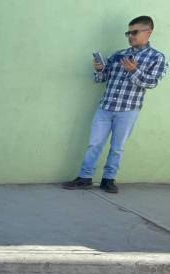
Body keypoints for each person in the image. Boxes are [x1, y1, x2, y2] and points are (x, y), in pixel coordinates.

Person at [63, 15, 167, 194]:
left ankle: (108, 179)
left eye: (134, 32)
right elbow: (101, 78)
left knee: (117, 148)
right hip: (105, 107)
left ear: (148, 32)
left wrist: (133, 70)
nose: (130, 36)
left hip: (128, 110)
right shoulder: (119, 54)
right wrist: (99, 69)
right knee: (94, 144)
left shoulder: (157, 57)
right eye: (128, 32)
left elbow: (151, 83)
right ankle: (84, 177)